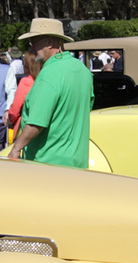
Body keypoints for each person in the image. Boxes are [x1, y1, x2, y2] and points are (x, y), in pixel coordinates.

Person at [8, 18, 93, 167]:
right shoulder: (83, 71)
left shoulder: (49, 74)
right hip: (78, 162)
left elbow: (37, 122)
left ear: (49, 42)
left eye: (35, 41)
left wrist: (16, 149)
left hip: (48, 164)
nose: (32, 47)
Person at [7, 49, 40, 134]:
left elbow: (16, 107)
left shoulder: (26, 81)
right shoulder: (44, 79)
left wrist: (10, 119)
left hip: (26, 127)